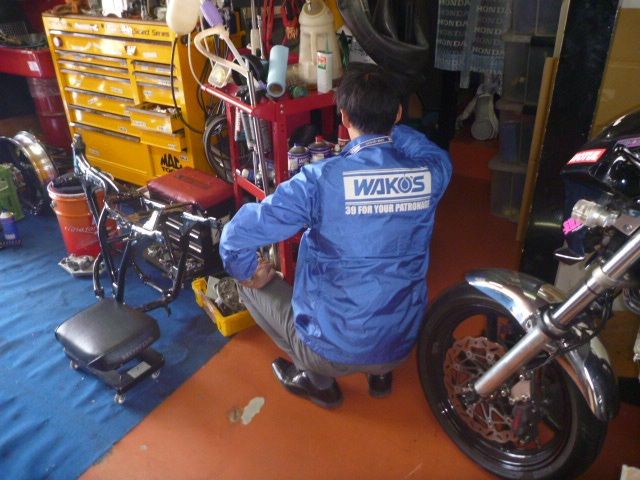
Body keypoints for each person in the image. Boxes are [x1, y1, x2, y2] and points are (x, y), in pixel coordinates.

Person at [219, 63, 452, 409]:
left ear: (344, 117)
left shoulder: (319, 180)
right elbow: (433, 152)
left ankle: (319, 383)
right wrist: (387, 129)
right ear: (398, 114)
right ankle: (380, 375)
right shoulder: (431, 173)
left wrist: (249, 270)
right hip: (401, 343)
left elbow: (236, 236)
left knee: (244, 282)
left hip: (330, 350)